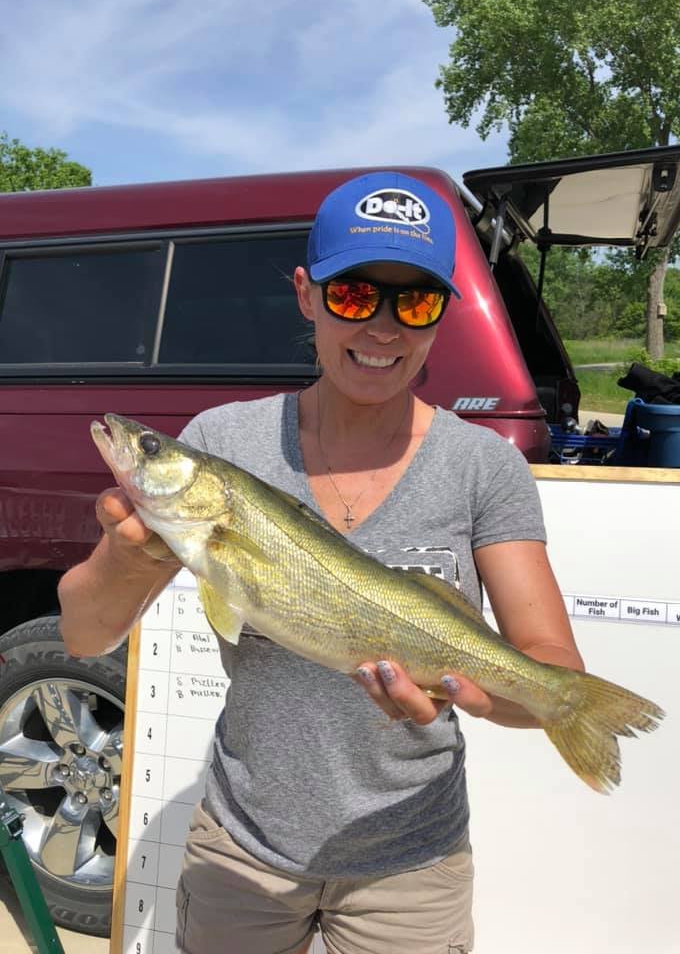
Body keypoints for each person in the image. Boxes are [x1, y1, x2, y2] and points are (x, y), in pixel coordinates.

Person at [58, 171, 584, 954]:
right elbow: (82, 634)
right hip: (243, 849)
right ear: (307, 295)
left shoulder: (484, 467)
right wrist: (130, 558)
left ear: (441, 314)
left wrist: (473, 695)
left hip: (412, 861)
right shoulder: (222, 442)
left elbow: (549, 671)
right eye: (354, 295)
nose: (383, 327)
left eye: (414, 303)